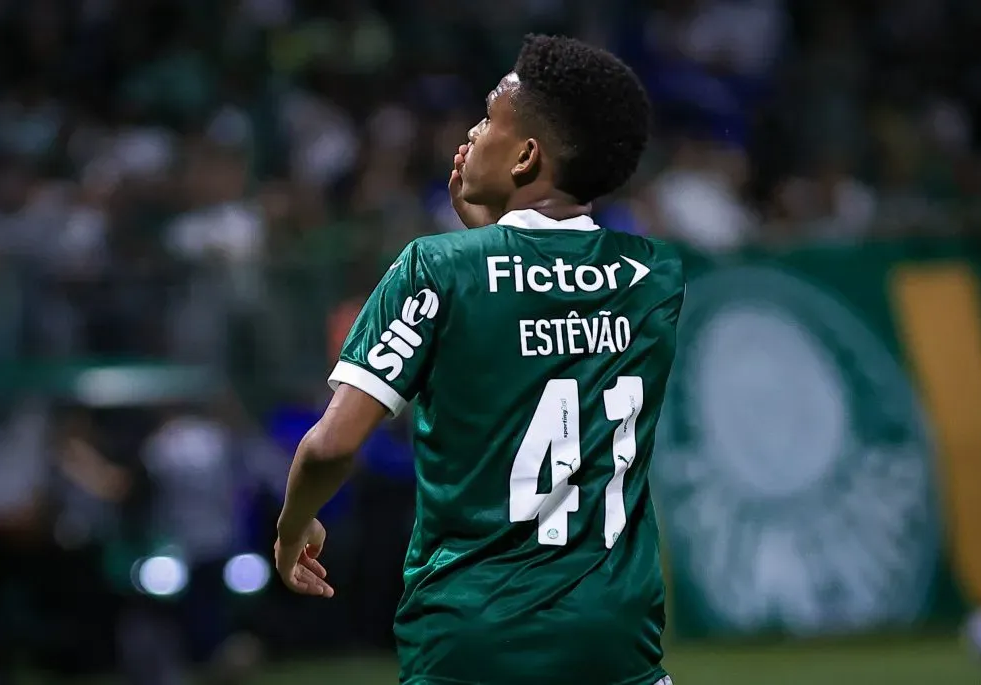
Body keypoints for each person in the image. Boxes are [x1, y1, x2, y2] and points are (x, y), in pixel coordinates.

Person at [275, 34, 685, 685]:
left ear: (526, 155)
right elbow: (543, 306)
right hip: (615, 639)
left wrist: (292, 527)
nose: (472, 129)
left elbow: (330, 446)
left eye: (490, 116)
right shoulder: (655, 275)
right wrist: (492, 230)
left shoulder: (434, 268)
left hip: (472, 637)